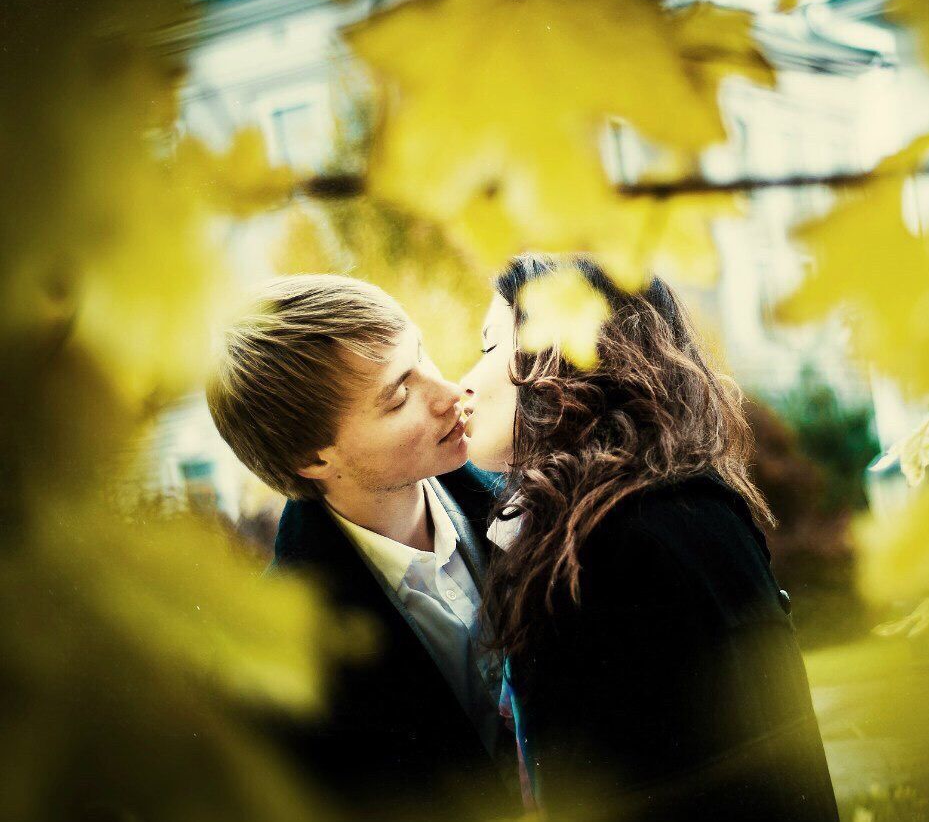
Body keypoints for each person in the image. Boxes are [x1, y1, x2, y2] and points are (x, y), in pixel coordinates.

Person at [459, 255, 840, 822]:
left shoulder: (614, 542)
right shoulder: (671, 510)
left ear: (564, 358)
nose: (464, 379)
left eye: (491, 346)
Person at [206, 274, 520, 821]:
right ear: (314, 459)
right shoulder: (284, 678)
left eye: (422, 355)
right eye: (400, 396)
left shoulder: (536, 504)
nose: (450, 393)